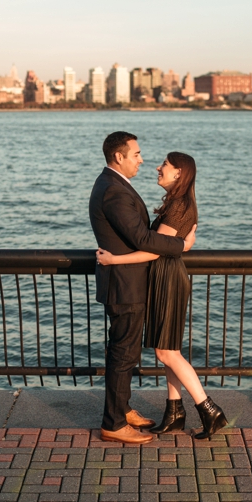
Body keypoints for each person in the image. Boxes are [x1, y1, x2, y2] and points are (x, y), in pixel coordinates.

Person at [97, 152, 227, 440]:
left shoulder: (179, 206)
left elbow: (157, 248)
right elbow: (167, 244)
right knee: (166, 349)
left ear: (179, 173)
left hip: (168, 279)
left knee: (166, 352)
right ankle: (174, 412)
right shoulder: (175, 203)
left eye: (165, 165)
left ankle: (210, 410)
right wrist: (181, 244)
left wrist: (113, 261)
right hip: (163, 277)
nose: (157, 167)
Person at [89, 132, 196, 445]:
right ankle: (114, 423)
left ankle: (122, 409)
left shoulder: (113, 185)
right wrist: (181, 245)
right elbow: (143, 240)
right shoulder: (113, 191)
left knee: (126, 352)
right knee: (123, 355)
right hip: (125, 286)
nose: (142, 159)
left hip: (127, 283)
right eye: (136, 154)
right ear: (119, 157)